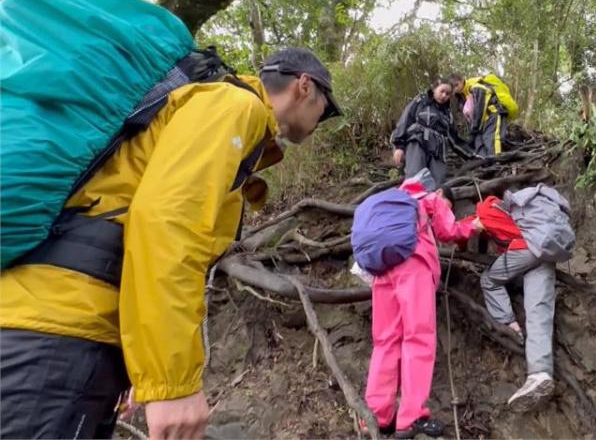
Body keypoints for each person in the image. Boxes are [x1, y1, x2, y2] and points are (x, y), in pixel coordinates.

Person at [0, 47, 342, 439]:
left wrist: (135, 361)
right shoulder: (234, 105)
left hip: (56, 323)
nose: (322, 121)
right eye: (326, 109)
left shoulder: (208, 106)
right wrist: (170, 383)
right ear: (304, 86)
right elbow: (167, 224)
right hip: (61, 334)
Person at [364, 172, 480, 439]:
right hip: (413, 267)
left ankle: (377, 414)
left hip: (383, 270)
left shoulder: (397, 200)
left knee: (385, 341)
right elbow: (449, 230)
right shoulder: (432, 199)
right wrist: (474, 225)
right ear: (441, 195)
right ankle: (411, 418)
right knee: (418, 338)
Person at [469, 195, 557, 411]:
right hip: (546, 250)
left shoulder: (485, 210)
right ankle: (539, 373)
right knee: (538, 311)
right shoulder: (513, 213)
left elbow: (466, 229)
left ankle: (510, 324)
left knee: (489, 280)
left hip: (526, 248)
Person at [391, 76, 472, 185]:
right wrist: (399, 146)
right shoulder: (421, 101)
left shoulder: (448, 114)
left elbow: (455, 140)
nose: (444, 96)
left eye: (448, 94)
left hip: (438, 151)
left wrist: (471, 155)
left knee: (437, 185)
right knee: (415, 181)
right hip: (418, 142)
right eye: (442, 91)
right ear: (434, 89)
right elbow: (405, 120)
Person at [451, 74, 510, 157]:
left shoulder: (476, 87)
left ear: (462, 80)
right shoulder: (461, 96)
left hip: (492, 115)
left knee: (490, 140)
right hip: (479, 123)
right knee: (478, 142)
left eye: (456, 85)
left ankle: (496, 163)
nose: (455, 89)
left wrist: (474, 129)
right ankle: (483, 163)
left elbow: (480, 109)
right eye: (453, 87)